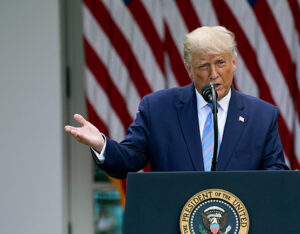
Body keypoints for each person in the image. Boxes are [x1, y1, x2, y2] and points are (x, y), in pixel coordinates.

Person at [65, 26, 288, 178]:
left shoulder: (262, 115)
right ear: (189, 69)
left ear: (234, 62)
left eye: (220, 63)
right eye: (203, 66)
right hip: (175, 233)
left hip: (238, 233)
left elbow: (275, 173)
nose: (213, 74)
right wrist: (101, 144)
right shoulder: (158, 109)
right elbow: (128, 160)